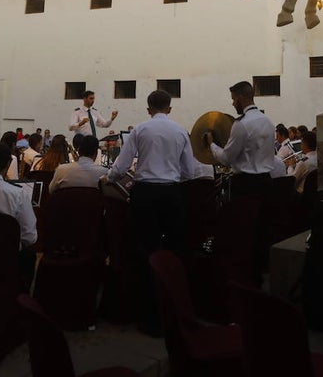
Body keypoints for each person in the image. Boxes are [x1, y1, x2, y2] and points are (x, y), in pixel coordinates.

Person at [105, 89, 192, 335]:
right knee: (173, 252)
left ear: (147, 109)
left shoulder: (140, 129)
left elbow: (120, 166)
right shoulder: (180, 131)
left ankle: (150, 315)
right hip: (172, 194)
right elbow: (189, 172)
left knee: (146, 251)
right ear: (170, 108)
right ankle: (175, 311)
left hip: (145, 194)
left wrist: (109, 177)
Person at [207, 81, 276, 198]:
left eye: (233, 99)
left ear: (241, 98)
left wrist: (211, 144)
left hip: (246, 184)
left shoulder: (242, 124)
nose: (233, 104)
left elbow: (226, 158)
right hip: (266, 181)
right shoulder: (267, 121)